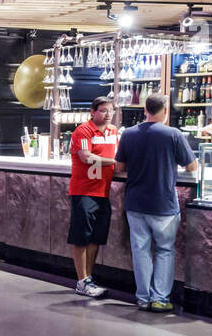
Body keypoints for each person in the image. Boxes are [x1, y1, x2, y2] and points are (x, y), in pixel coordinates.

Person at [114, 94, 199, 312]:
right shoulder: (173, 134)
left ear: (145, 110)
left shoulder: (129, 134)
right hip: (163, 204)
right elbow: (191, 167)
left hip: (135, 203)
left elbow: (119, 168)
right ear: (165, 110)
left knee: (140, 250)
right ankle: (160, 299)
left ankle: (143, 298)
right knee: (164, 250)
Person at [67, 97, 119, 299]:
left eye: (111, 111)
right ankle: (82, 281)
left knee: (96, 237)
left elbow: (117, 155)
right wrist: (114, 162)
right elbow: (86, 157)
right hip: (84, 191)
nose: (108, 114)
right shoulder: (83, 130)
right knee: (81, 236)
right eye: (104, 111)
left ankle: (88, 278)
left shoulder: (114, 132)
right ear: (93, 112)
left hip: (103, 191)